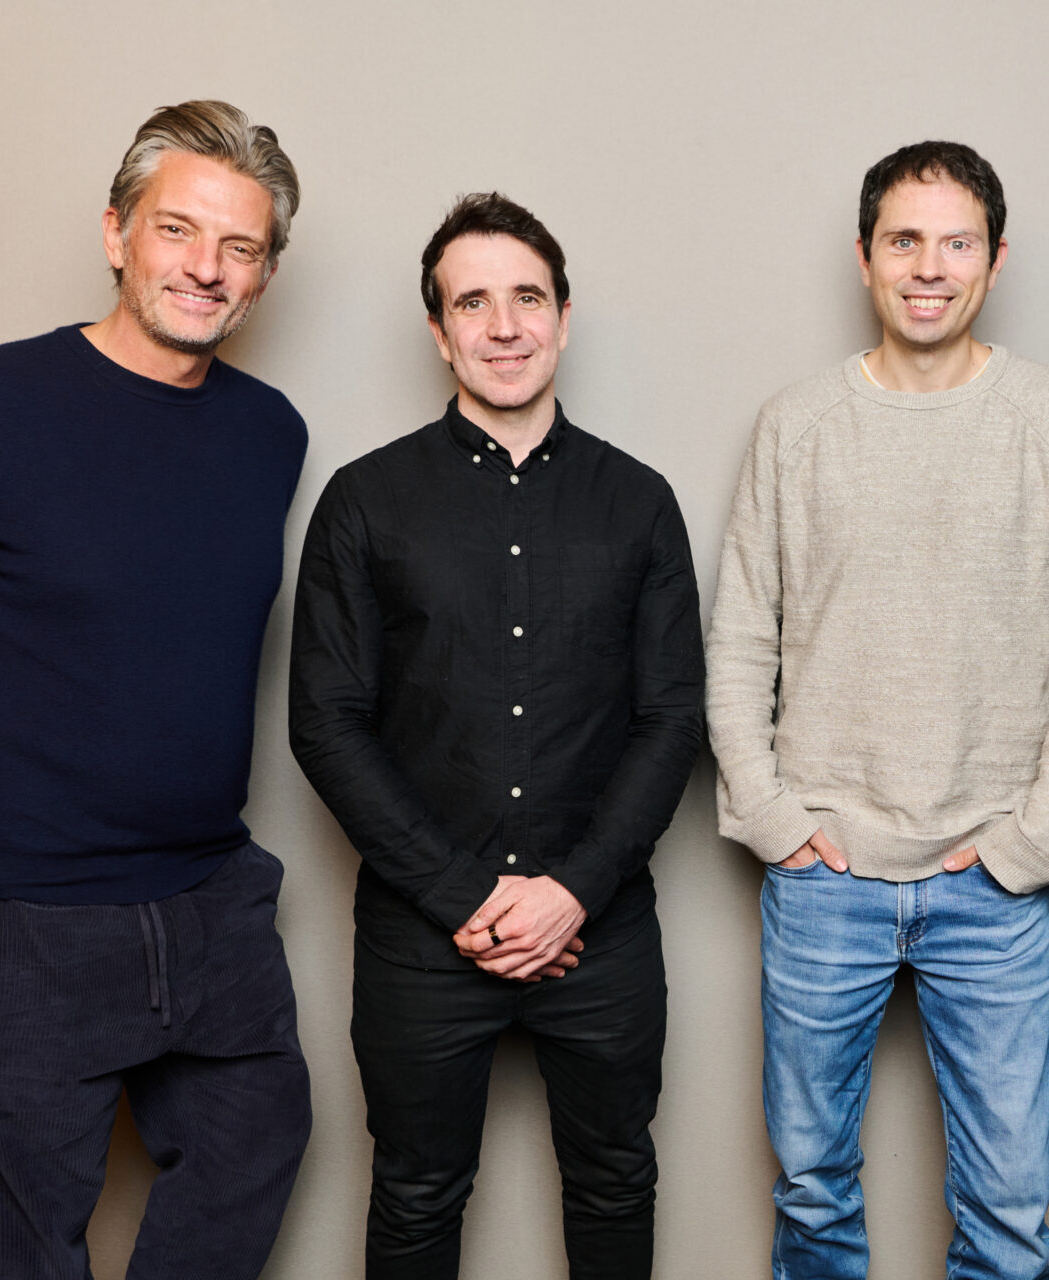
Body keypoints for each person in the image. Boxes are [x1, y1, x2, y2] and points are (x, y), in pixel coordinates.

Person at [0, 100, 312, 1279]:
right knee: (24, 1254)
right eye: (177, 229)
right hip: (22, 924)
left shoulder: (269, 434)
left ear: (266, 274)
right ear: (116, 232)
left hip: (212, 907)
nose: (206, 266)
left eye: (239, 246)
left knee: (259, 1140)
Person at [705, 140, 1049, 1280]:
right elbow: (740, 639)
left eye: (957, 243)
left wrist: (1030, 840)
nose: (930, 267)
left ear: (996, 259)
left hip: (992, 880)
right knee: (811, 1188)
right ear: (864, 257)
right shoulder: (796, 424)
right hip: (824, 880)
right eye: (905, 241)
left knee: (1008, 1207)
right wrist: (776, 820)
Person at [288, 191, 703, 1280]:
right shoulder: (363, 503)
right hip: (422, 937)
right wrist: (467, 895)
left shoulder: (640, 503)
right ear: (439, 330)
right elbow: (326, 724)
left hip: (600, 932)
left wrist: (573, 890)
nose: (504, 325)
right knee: (416, 1193)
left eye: (527, 297)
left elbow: (671, 717)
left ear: (564, 316)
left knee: (615, 1178)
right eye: (472, 302)